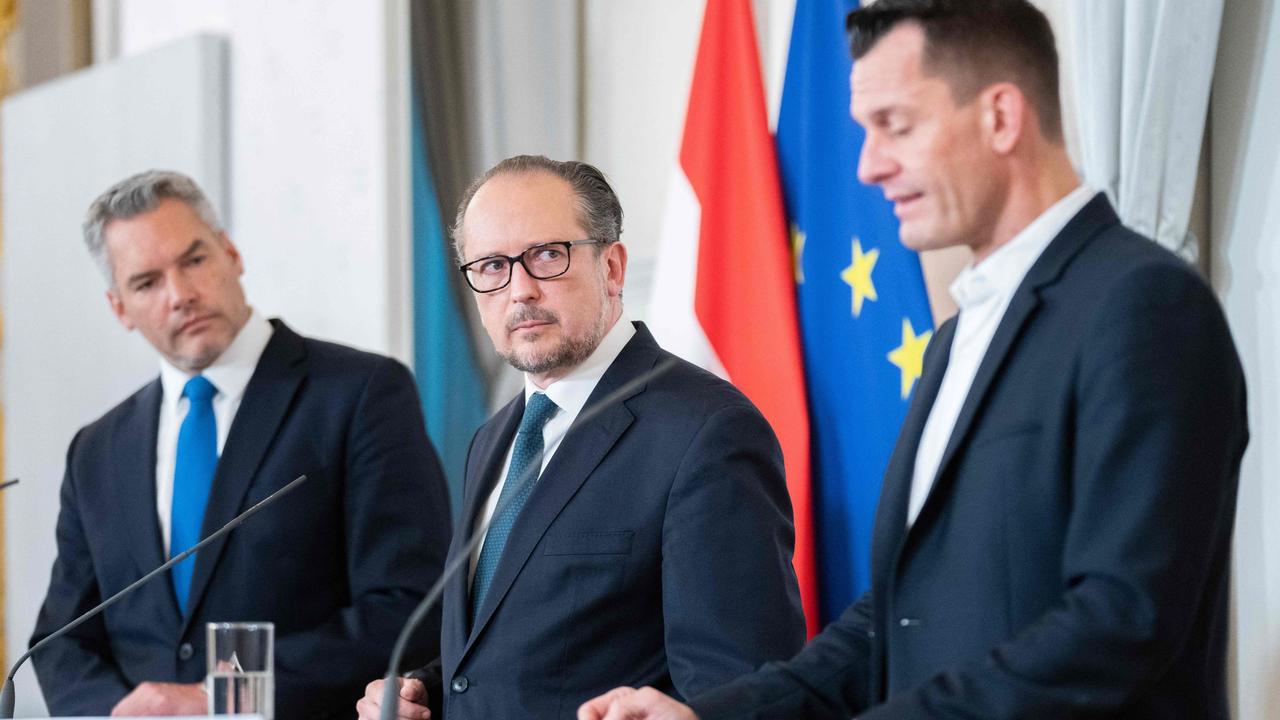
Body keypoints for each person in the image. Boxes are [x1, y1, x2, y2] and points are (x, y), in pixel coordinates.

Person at [578, 1, 1248, 718]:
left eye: (895, 125)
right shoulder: (957, 337)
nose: (867, 166)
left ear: (1000, 117)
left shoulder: (1144, 306)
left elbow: (1118, 624)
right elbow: (893, 621)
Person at [356, 155, 805, 720]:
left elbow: (739, 687)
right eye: (492, 265)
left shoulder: (706, 431)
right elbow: (517, 654)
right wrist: (426, 689)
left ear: (612, 268)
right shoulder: (494, 438)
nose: (519, 290)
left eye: (547, 256)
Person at [30, 170, 453, 720]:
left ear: (231, 254)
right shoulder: (98, 448)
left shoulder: (360, 393)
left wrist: (221, 699)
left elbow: (409, 608)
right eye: (146, 283)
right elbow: (61, 641)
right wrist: (118, 714)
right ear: (119, 308)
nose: (180, 294)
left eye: (195, 260)